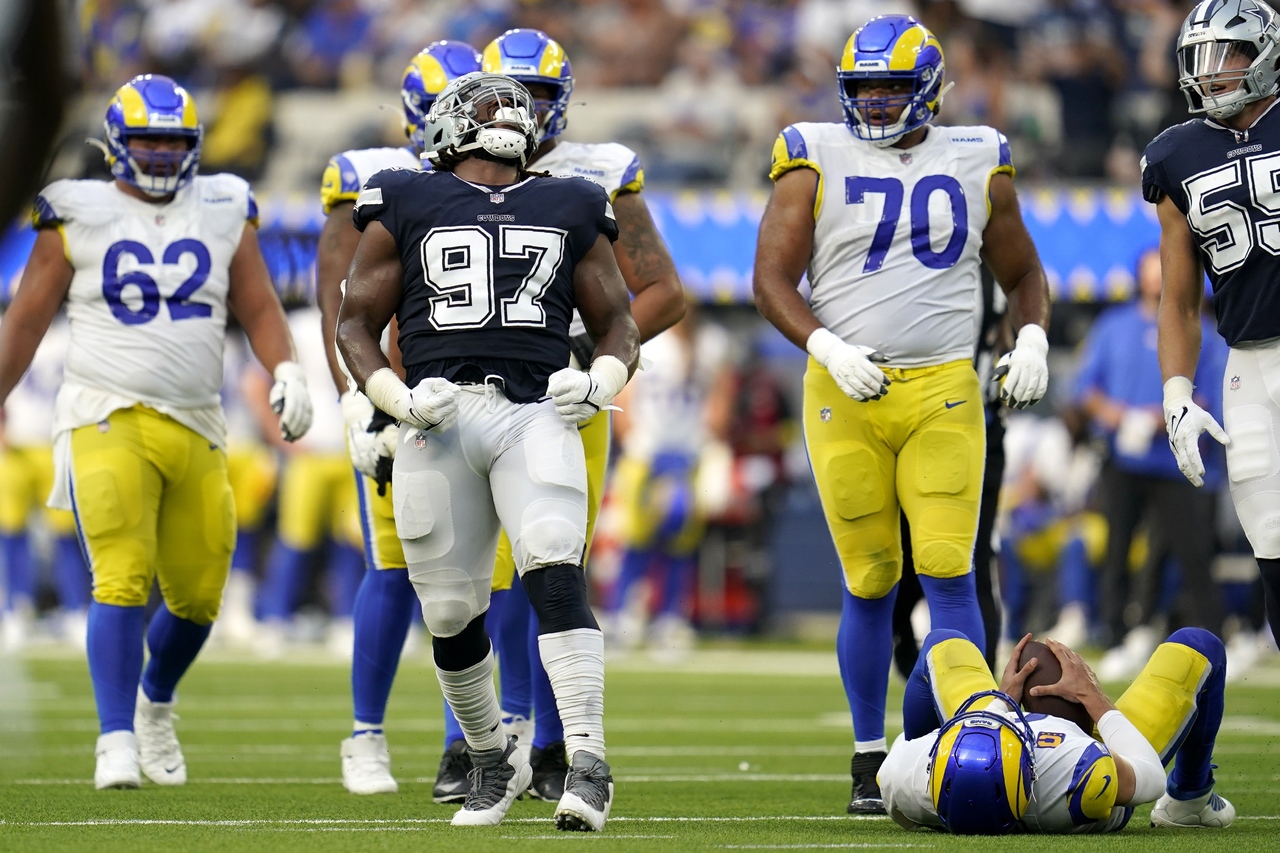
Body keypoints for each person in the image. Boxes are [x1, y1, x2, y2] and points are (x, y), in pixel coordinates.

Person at [752, 14, 1052, 814]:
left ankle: (956, 739)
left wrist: (1032, 338)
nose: (877, 102)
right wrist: (824, 344)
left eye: (891, 87)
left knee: (951, 572)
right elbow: (770, 279)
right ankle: (867, 754)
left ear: (930, 88)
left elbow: (1025, 273)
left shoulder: (978, 155)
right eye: (864, 88)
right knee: (871, 579)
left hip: (946, 385)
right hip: (846, 391)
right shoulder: (812, 153)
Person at [336, 71, 640, 831]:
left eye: (511, 105)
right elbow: (354, 322)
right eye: (490, 105)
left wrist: (600, 380)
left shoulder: (572, 200)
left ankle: (589, 760)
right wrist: (393, 399)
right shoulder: (403, 196)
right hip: (437, 416)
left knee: (552, 563)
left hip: (534, 412)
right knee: (447, 608)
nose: (503, 114)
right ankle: (490, 758)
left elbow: (620, 323)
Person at [0, 74, 313, 789]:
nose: (163, 154)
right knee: (121, 574)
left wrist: (287, 369)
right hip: (104, 412)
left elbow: (260, 305)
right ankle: (113, 737)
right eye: (149, 141)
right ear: (116, 143)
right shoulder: (76, 209)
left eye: (173, 142)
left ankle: (153, 701)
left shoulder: (225, 203)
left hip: (198, 417)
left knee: (199, 597)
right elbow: (25, 321)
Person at [476, 27, 686, 802]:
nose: (520, 110)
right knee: (478, 577)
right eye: (507, 94)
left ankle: (549, 743)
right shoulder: (449, 169)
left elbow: (661, 291)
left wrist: (593, 356)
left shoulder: (597, 172)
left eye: (536, 95)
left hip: (563, 398)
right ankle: (486, 738)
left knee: (551, 564)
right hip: (470, 392)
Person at [314, 39, 482, 797]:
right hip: (398, 400)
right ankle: (366, 735)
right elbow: (340, 302)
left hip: (482, 399)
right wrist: (359, 396)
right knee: (391, 566)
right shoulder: (372, 180)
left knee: (479, 577)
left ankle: (466, 745)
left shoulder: (512, 185)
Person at [1146, 0, 1280, 666]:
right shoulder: (1177, 154)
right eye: (1199, 60)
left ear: (1265, 54)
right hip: (1246, 365)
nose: (1210, 72)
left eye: (1224, 55)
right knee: (1272, 548)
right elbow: (1178, 299)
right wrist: (1176, 392)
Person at [879, 628, 1234, 833]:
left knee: (944, 643)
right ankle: (1189, 801)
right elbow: (1149, 775)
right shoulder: (1080, 774)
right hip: (1080, 758)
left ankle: (982, 725)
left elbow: (912, 749)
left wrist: (1002, 702)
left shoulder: (909, 777)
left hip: (983, 735)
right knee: (1198, 646)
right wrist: (1092, 697)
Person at [1077, 245, 1227, 680]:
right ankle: (1116, 636)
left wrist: (1159, 421)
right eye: (1150, 270)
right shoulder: (1113, 325)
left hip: (1176, 460)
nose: (1157, 277)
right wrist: (1120, 418)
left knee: (1193, 552)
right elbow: (1086, 389)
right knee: (1117, 550)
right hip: (1123, 459)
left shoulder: (1203, 330)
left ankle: (1213, 639)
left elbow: (1210, 395)